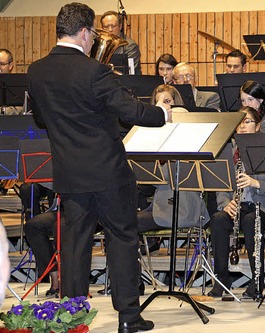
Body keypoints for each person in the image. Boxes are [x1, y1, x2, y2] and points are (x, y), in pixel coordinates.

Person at [26, 3, 171, 333]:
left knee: (74, 245)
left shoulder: (36, 70)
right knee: (121, 239)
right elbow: (131, 112)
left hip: (69, 173)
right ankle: (129, 317)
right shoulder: (95, 71)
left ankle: (73, 318)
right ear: (83, 32)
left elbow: (40, 120)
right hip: (108, 173)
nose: (94, 40)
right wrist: (161, 112)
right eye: (92, 34)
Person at [207, 106, 265, 299]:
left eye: (247, 122)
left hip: (264, 208)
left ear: (257, 126)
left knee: (251, 221)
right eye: (239, 122)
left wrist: (255, 183)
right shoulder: (229, 152)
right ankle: (221, 278)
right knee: (217, 219)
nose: (242, 126)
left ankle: (257, 281)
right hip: (238, 206)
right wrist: (225, 204)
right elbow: (221, 185)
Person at [100, 10, 141, 75]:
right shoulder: (100, 45)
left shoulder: (130, 45)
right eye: (106, 27)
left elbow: (131, 72)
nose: (110, 30)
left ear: (120, 26)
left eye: (113, 26)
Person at [0, 48, 23, 115]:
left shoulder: (18, 84)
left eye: (2, 64)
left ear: (10, 66)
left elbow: (22, 108)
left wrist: (4, 111)